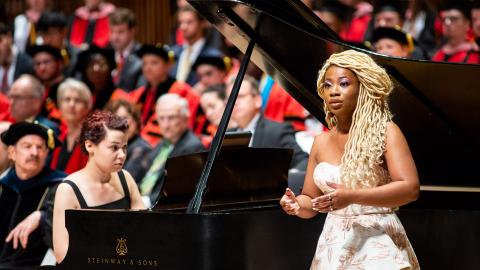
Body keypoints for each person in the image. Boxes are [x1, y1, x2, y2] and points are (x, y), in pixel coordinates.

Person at [280, 50, 420, 269]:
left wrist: (353, 196)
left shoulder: (386, 132)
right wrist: (297, 205)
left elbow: (410, 189)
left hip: (378, 242)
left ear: (363, 88)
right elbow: (311, 202)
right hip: (333, 246)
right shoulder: (320, 141)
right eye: (328, 85)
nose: (334, 91)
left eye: (344, 83)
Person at [52, 111, 145, 263]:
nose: (122, 155)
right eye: (114, 148)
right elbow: (62, 253)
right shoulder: (68, 189)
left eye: (125, 147)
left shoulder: (125, 178)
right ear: (89, 145)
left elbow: (144, 229)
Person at [0, 121, 64, 267]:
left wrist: (42, 216)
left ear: (47, 153)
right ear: (12, 153)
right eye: (27, 146)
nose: (34, 153)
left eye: (40, 147)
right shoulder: (3, 185)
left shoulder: (60, 186)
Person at [125, 94, 205, 206]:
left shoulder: (193, 147)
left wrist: (142, 202)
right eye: (161, 118)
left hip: (160, 210)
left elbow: (177, 191)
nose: (166, 125)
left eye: (171, 118)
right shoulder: (163, 143)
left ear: (185, 118)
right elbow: (145, 177)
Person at [227, 75, 308, 171]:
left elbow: (304, 161)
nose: (234, 102)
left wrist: (287, 178)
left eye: (240, 96)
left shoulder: (276, 131)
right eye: (230, 98)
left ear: (257, 100)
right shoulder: (226, 136)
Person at [49, 79, 91, 174]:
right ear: (60, 105)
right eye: (67, 99)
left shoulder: (92, 138)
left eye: (77, 100)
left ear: (87, 107)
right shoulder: (61, 136)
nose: (71, 105)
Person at [104, 99, 151, 166]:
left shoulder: (141, 149)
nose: (120, 123)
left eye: (124, 118)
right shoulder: (108, 147)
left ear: (135, 120)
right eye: (115, 119)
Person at [108, 7, 143, 91]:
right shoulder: (106, 55)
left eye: (120, 32)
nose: (115, 37)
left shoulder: (142, 55)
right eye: (112, 31)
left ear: (132, 31)